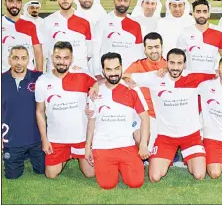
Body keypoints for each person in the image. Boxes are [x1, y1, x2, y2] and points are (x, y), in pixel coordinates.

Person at [123, 48, 222, 182]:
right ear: (167, 63)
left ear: (184, 65)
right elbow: (124, 74)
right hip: (166, 136)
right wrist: (125, 80)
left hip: (191, 135)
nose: (175, 67)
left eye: (179, 63)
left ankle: (190, 157)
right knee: (154, 177)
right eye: (172, 63)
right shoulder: (155, 77)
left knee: (199, 175)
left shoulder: (194, 77)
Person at [85, 52, 150, 190]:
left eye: (116, 68)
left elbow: (145, 117)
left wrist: (143, 144)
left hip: (126, 144)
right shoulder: (95, 92)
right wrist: (87, 146)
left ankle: (123, 167)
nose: (113, 73)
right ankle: (113, 168)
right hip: (102, 146)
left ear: (121, 68)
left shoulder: (132, 89)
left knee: (136, 183)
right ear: (103, 71)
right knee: (107, 185)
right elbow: (91, 121)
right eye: (109, 69)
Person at [34, 41, 97, 179]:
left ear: (71, 58)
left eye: (65, 58)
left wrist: (95, 86)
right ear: (52, 58)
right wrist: (44, 139)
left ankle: (76, 153)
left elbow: (102, 83)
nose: (61, 62)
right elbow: (39, 111)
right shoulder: (42, 81)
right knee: (51, 175)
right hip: (56, 139)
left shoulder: (82, 75)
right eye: (58, 57)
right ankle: (66, 155)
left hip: (81, 137)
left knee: (90, 173)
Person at [2, 46, 45, 179]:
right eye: (15, 58)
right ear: (9, 60)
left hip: (36, 139)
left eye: (23, 58)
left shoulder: (39, 78)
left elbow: (59, 77)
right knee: (12, 176)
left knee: (43, 171)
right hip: (12, 140)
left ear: (28, 60)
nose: (19, 62)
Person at [124, 32, 168, 153]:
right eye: (150, 47)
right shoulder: (137, 65)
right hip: (146, 115)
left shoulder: (170, 66)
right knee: (140, 137)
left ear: (162, 47)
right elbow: (121, 76)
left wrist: (167, 69)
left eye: (157, 47)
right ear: (144, 50)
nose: (154, 51)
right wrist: (128, 80)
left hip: (165, 115)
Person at [93, 0, 144, 80]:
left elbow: (139, 52)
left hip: (128, 75)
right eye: (119, 0)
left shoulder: (136, 24)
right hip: (107, 74)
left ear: (130, 2)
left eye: (125, 0)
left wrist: (135, 73)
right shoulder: (102, 21)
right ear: (114, 1)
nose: (122, 3)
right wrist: (97, 72)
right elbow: (95, 49)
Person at [43, 0, 92, 71]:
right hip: (55, 73)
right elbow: (45, 51)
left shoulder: (85, 20)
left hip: (79, 71)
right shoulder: (47, 21)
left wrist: (78, 64)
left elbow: (89, 51)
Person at [177, 0, 222, 73]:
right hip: (190, 77)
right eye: (198, 12)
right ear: (193, 14)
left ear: (209, 14)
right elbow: (177, 56)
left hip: (211, 78)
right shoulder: (185, 32)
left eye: (205, 12)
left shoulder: (218, 32)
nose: (201, 15)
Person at [2, 0, 44, 73]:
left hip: (28, 76)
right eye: (11, 1)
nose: (15, 5)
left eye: (18, 2)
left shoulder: (30, 25)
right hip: (4, 75)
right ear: (5, 3)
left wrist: (39, 74)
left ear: (21, 4)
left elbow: (38, 52)